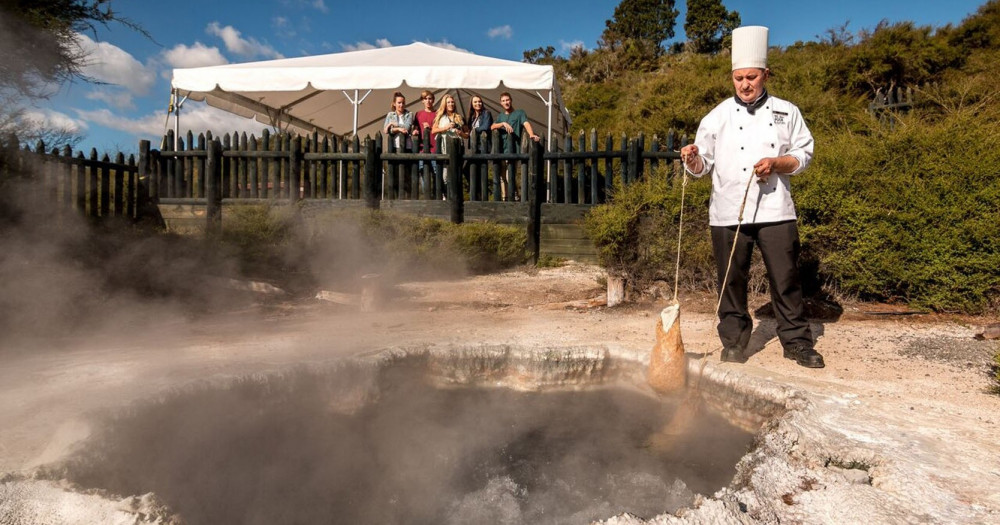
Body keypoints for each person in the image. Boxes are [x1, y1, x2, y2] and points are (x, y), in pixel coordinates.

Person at [679, 26, 824, 369]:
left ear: (765, 75)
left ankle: (797, 343)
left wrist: (777, 163)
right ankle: (733, 343)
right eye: (739, 78)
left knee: (786, 279)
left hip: (776, 208)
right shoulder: (716, 116)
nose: (745, 84)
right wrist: (692, 158)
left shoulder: (787, 111)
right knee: (731, 280)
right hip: (728, 212)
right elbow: (703, 167)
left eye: (752, 77)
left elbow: (804, 156)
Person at [431, 94, 467, 189]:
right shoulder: (440, 117)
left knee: (457, 173)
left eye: (452, 102)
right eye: (448, 102)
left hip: (458, 148)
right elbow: (433, 131)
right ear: (444, 104)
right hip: (444, 148)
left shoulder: (459, 117)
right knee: (445, 174)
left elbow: (467, 134)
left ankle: (456, 196)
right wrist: (445, 127)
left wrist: (460, 133)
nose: (451, 104)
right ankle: (446, 195)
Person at [412, 90, 440, 194]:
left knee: (437, 174)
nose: (428, 101)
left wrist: (431, 127)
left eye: (430, 99)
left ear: (433, 100)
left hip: (435, 149)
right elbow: (415, 128)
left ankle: (437, 198)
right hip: (422, 149)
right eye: (425, 99)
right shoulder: (418, 114)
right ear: (422, 101)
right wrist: (414, 131)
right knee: (423, 174)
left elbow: (440, 128)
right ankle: (428, 198)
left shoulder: (438, 114)